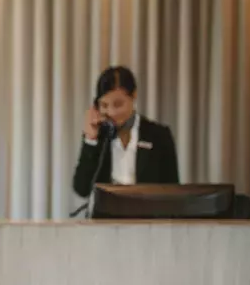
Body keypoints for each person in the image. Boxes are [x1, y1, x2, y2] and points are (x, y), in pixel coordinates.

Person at [72, 66, 180, 199]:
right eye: (104, 105)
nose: (112, 113)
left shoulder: (159, 135)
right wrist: (90, 139)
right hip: (106, 217)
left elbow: (173, 192)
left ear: (133, 95)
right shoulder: (99, 136)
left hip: (147, 216)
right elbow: (82, 189)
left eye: (118, 104)